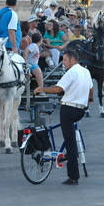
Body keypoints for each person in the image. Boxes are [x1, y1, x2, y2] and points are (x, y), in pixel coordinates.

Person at [34, 50, 92, 185]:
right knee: (71, 136)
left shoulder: (71, 72)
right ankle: (67, 156)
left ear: (72, 60)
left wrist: (41, 89)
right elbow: (91, 89)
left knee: (70, 142)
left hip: (68, 109)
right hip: (81, 110)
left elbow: (58, 89)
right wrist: (90, 99)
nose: (63, 63)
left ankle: (73, 176)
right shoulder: (86, 71)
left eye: (65, 60)